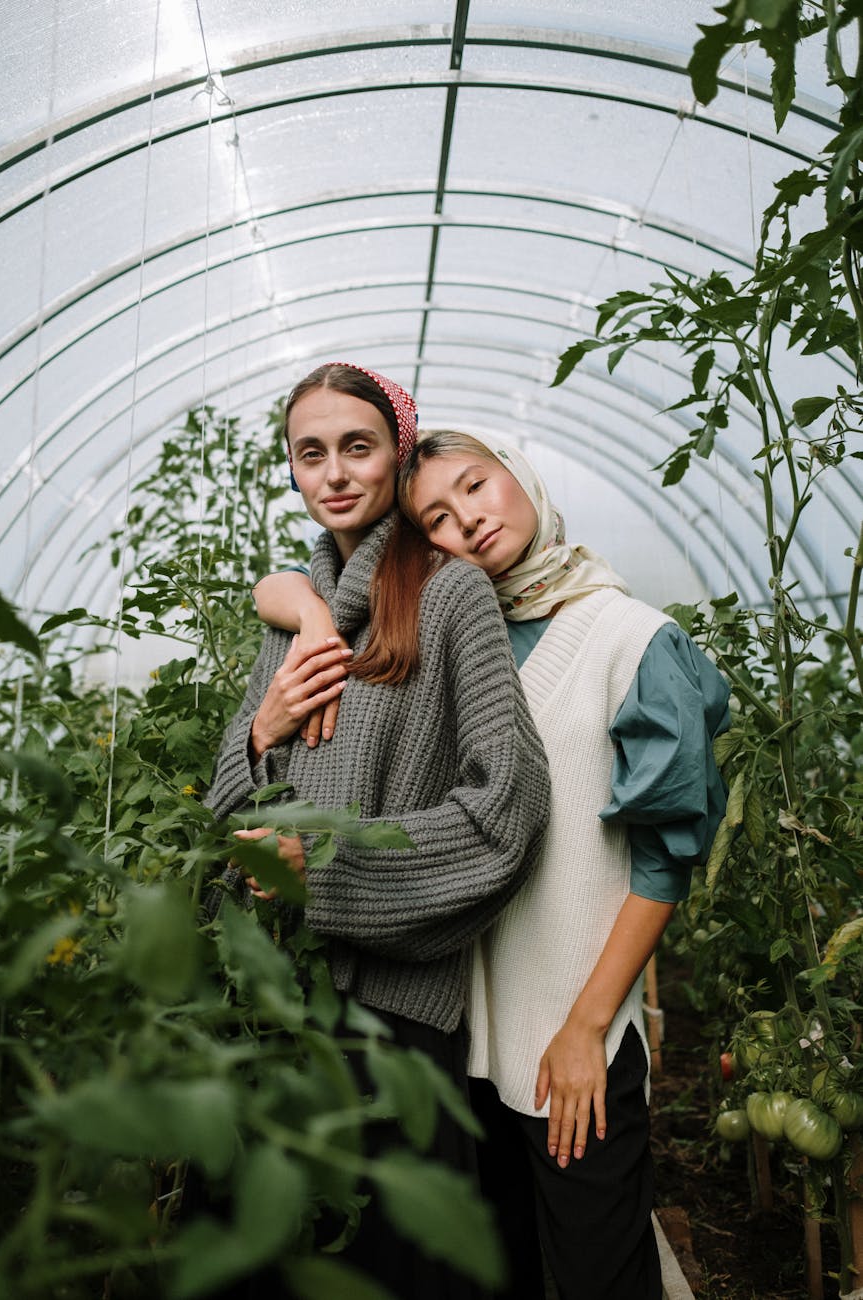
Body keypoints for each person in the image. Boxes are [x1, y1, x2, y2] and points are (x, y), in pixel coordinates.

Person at [255, 428, 730, 1300]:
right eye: (435, 516)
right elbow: (295, 580)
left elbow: (666, 859)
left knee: (597, 1270)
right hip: (458, 1028)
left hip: (567, 1030)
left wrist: (590, 1026)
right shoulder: (449, 631)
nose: (466, 521)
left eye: (476, 487)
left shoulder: (629, 638)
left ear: (521, 475)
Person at [206, 367, 551, 1300]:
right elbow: (220, 819)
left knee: (394, 1269)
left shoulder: (448, 597)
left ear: (398, 454)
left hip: (392, 1019)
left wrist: (322, 874)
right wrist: (257, 735)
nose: (334, 473)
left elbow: (506, 808)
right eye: (309, 454)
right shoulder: (293, 623)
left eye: (356, 447)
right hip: (277, 1006)